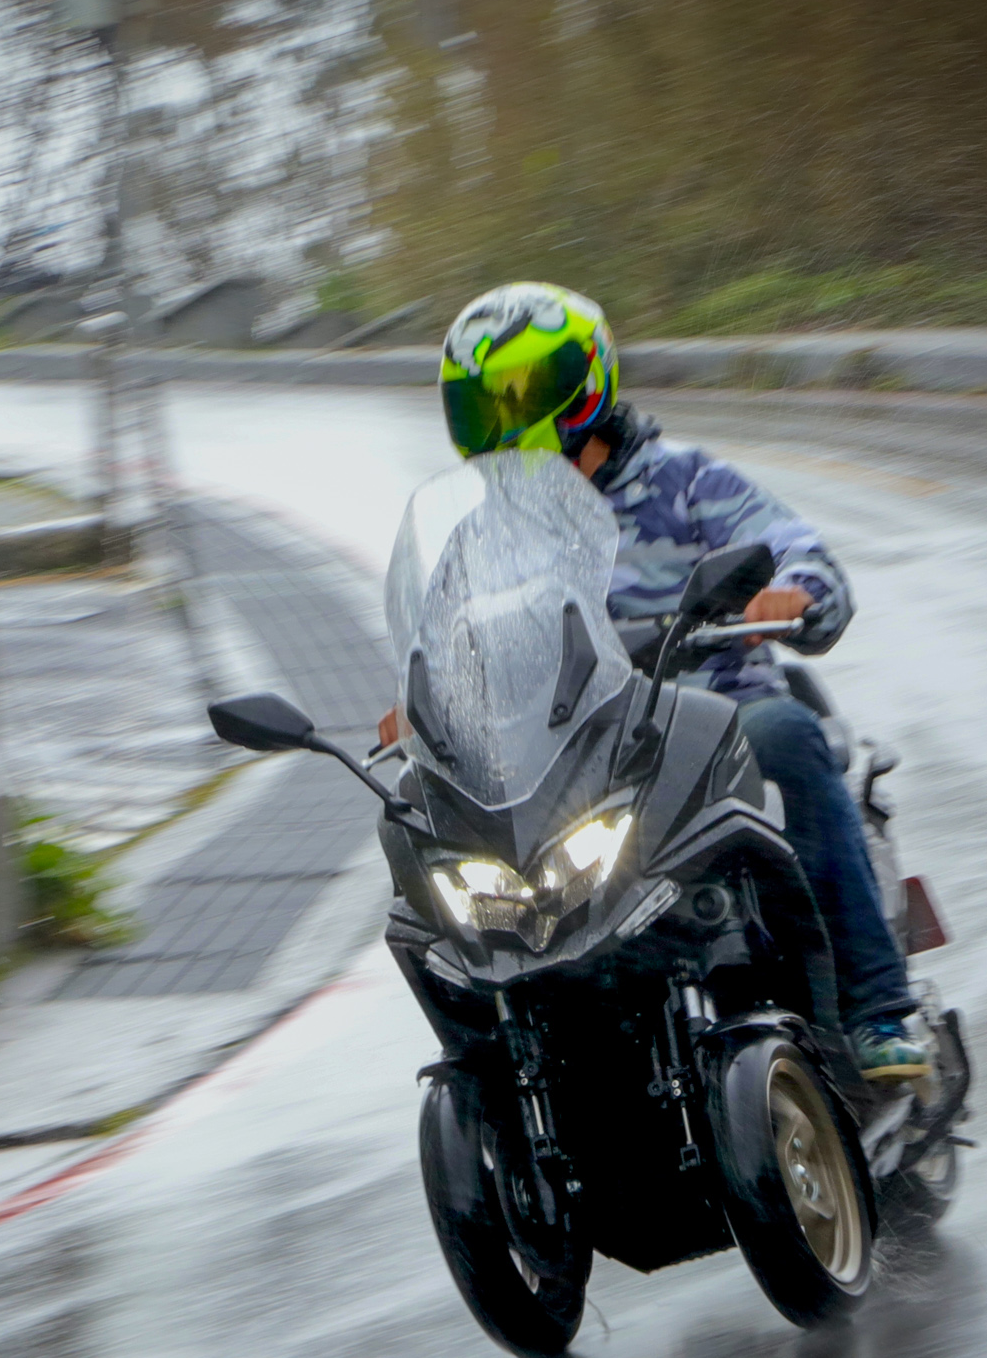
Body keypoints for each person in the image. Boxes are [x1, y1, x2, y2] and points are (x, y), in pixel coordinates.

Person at [386, 281, 929, 1083]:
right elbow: (444, 638)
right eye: (481, 404)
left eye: (517, 397)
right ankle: (516, 1064)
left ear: (583, 391)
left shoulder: (685, 482)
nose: (499, 421)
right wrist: (422, 703)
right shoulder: (483, 538)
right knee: (432, 820)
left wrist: (798, 591)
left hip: (717, 721)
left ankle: (877, 1011)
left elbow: (791, 543)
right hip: (575, 751)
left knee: (784, 735)